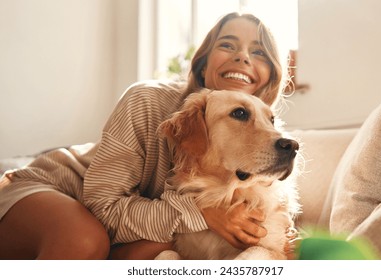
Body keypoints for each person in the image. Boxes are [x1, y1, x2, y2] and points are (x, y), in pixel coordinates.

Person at [0, 12, 286, 260]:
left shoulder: (260, 138)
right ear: (202, 64)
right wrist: (203, 214)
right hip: (52, 188)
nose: (243, 56)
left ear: (269, 78)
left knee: (157, 248)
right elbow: (103, 206)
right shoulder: (146, 99)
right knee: (84, 240)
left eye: (259, 52)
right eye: (227, 44)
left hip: (126, 224)